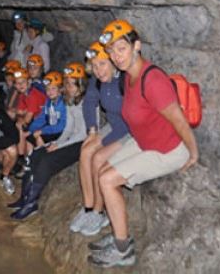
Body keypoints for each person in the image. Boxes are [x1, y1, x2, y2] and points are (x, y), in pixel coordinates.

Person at [87, 19, 199, 268]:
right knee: (101, 166)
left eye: (121, 48)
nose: (116, 56)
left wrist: (192, 152)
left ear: (136, 45)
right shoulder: (128, 76)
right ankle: (118, 229)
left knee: (107, 180)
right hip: (144, 141)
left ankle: (123, 249)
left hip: (167, 150)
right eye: (112, 51)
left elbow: (179, 120)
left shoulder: (153, 80)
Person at [69, 42, 134, 237]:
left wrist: (104, 141)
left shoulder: (124, 80)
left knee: (97, 157)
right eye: (95, 66)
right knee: (86, 149)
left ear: (113, 62)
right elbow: (89, 102)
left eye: (102, 64)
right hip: (114, 125)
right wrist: (92, 131)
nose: (98, 70)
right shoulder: (97, 81)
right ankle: (88, 207)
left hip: (129, 130)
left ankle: (99, 212)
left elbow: (129, 121)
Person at [10, 64, 88, 220]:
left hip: (81, 143)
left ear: (81, 84)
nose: (70, 87)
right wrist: (55, 143)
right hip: (69, 139)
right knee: (34, 155)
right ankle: (25, 198)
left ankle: (32, 203)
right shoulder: (70, 101)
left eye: (73, 84)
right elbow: (68, 128)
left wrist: (59, 145)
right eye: (68, 84)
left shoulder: (85, 102)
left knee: (46, 161)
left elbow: (81, 134)